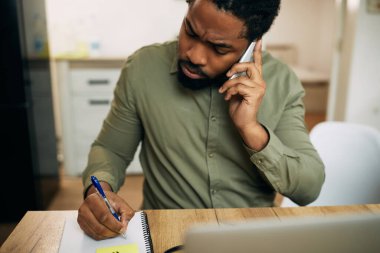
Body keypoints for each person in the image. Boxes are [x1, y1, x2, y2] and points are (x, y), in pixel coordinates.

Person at [77, 0, 325, 240]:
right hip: (166, 233)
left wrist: (251, 129)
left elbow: (308, 188)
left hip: (251, 237)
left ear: (253, 45)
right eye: (190, 31)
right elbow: (111, 150)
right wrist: (100, 191)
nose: (194, 55)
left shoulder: (282, 82)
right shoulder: (143, 68)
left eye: (219, 48)